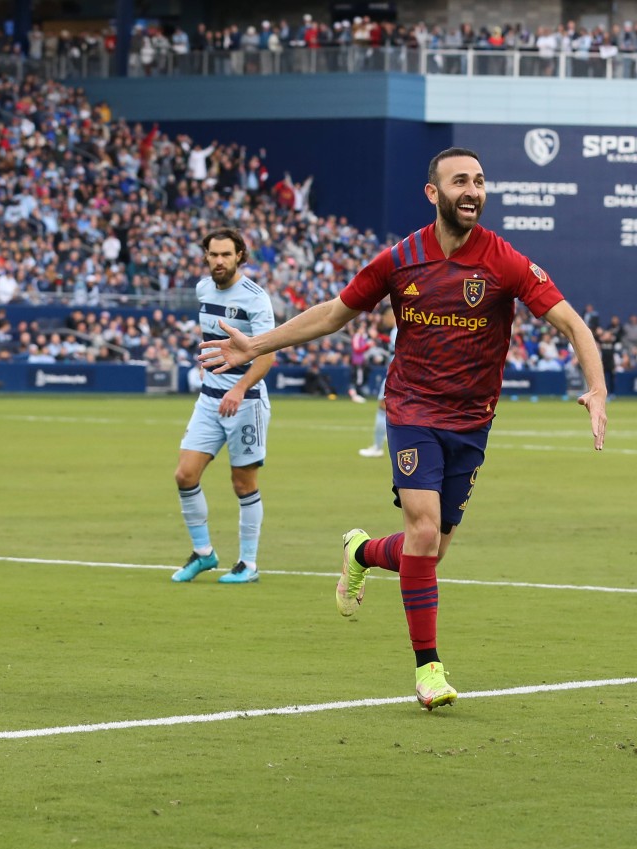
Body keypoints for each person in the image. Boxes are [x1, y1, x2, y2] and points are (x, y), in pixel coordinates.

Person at [198, 147, 607, 710]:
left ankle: (362, 553)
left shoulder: (504, 261)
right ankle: (428, 669)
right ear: (433, 193)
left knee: (430, 552)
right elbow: (333, 313)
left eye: (480, 181)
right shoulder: (401, 259)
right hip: (412, 410)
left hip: (472, 421)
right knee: (421, 532)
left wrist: (597, 387)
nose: (473, 190)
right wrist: (257, 344)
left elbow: (571, 322)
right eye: (460, 180)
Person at [171, 228, 276, 585]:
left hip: (245, 402)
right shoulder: (202, 289)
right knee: (185, 474)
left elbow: (267, 355)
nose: (219, 261)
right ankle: (204, 554)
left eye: (226, 255)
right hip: (209, 400)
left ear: (240, 256)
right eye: (213, 255)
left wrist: (240, 387)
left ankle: (249, 563)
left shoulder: (255, 298)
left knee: (242, 483)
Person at [359, 306, 397, 458]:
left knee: (383, 407)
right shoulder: (399, 329)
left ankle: (377, 446)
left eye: (385, 317)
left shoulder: (397, 330)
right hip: (400, 373)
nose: (383, 321)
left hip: (395, 373)